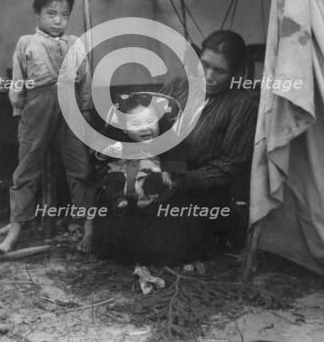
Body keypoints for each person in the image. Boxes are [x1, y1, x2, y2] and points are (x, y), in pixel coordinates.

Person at [92, 30, 258, 265]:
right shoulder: (180, 86)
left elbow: (230, 166)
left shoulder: (242, 105)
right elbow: (147, 118)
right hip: (156, 174)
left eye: (219, 71)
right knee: (118, 206)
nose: (208, 76)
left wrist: (181, 179)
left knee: (166, 241)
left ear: (235, 73)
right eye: (205, 65)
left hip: (200, 192)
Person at [0, 0, 95, 253]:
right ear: (36, 12)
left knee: (80, 166)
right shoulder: (27, 43)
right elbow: (18, 82)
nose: (58, 21)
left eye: (64, 15)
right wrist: (20, 109)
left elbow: (85, 80)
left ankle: (87, 224)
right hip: (37, 107)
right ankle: (16, 226)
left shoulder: (75, 43)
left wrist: (85, 110)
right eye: (51, 13)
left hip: (71, 107)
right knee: (27, 167)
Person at [97, 93, 175, 212]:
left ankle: (150, 196)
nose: (144, 127)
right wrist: (105, 153)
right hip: (123, 174)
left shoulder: (162, 142)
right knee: (112, 180)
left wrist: (167, 172)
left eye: (150, 121)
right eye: (135, 124)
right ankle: (117, 200)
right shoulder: (120, 142)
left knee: (157, 180)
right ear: (124, 129)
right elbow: (101, 155)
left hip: (148, 173)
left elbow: (173, 156)